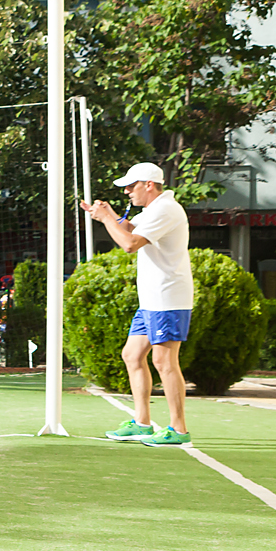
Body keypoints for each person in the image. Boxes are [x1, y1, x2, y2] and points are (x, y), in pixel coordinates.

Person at [85, 161, 194, 446]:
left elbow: (130, 244)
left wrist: (108, 219)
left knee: (163, 361)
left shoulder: (166, 209)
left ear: (149, 185)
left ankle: (179, 429)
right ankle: (142, 424)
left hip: (168, 298)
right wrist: (108, 215)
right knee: (132, 355)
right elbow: (130, 229)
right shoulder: (152, 211)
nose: (127, 192)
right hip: (152, 299)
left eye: (131, 186)